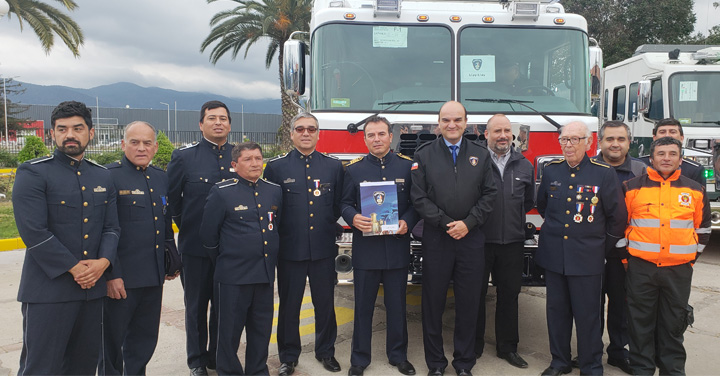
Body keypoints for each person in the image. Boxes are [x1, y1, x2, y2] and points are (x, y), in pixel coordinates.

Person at [12, 100, 121, 375]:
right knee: (42, 367)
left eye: (77, 128)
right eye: (62, 129)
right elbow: (33, 231)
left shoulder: (102, 175)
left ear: (91, 132)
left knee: (83, 366)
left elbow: (112, 228)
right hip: (49, 291)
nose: (69, 134)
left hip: (91, 291)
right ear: (52, 133)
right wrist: (75, 268)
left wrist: (103, 262)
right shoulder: (34, 172)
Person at [410, 101, 497, 376]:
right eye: (446, 120)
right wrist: (448, 224)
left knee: (469, 303)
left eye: (457, 120)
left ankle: (463, 363)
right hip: (437, 239)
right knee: (432, 303)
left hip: (471, 240)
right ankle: (435, 364)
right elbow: (418, 198)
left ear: (466, 122)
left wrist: (468, 224)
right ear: (438, 123)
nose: (451, 125)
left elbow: (490, 195)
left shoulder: (480, 155)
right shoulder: (424, 155)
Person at [535, 121, 626, 376]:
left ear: (589, 142)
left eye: (575, 139)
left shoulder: (603, 173)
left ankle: (591, 365)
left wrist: (598, 246)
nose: (569, 145)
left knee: (588, 316)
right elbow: (543, 207)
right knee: (556, 313)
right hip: (554, 256)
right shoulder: (552, 171)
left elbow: (617, 217)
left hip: (588, 258)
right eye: (564, 139)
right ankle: (560, 362)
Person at [264, 113, 344, 376]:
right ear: (292, 134)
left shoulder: (333, 167)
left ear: (318, 133)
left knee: (325, 304)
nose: (306, 133)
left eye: (312, 128)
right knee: (289, 306)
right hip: (290, 249)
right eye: (300, 129)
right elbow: (270, 209)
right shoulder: (276, 168)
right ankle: (288, 356)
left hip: (322, 248)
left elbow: (335, 207)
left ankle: (326, 352)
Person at [622, 137, 711, 375]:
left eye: (672, 154)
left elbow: (703, 230)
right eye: (661, 153)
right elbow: (621, 227)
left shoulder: (695, 190)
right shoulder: (632, 188)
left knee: (674, 324)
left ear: (681, 159)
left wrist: (690, 260)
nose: (667, 158)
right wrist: (626, 260)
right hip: (642, 269)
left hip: (678, 271)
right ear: (651, 158)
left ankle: (672, 370)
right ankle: (642, 368)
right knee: (640, 323)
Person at [340, 116, 418, 376]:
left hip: (396, 247)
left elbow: (417, 204)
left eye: (381, 134)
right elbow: (344, 203)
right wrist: (353, 217)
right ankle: (359, 360)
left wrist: (407, 221)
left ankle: (398, 356)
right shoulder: (354, 169)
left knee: (397, 306)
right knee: (362, 308)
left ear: (391, 136)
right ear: (364, 139)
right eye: (371, 135)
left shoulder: (408, 168)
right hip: (367, 250)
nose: (377, 139)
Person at [100, 121, 179, 375]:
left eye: (147, 143)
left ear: (156, 147)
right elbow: (103, 231)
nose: (141, 148)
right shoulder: (109, 176)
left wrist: (171, 258)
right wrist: (112, 275)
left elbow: (165, 224)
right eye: (135, 142)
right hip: (121, 278)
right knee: (111, 344)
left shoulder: (160, 177)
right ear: (124, 145)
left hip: (152, 277)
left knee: (144, 341)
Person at [167, 100, 237, 376]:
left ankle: (216, 356)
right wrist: (188, 227)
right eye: (212, 118)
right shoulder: (184, 158)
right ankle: (196, 360)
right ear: (201, 124)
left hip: (231, 249)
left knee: (224, 306)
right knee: (196, 306)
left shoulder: (240, 155)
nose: (218, 122)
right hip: (195, 248)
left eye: (223, 118)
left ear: (230, 124)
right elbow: (173, 202)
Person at [200, 142, 282, 376]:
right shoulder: (222, 192)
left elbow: (276, 226)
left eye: (258, 158)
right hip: (233, 276)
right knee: (229, 333)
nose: (255, 163)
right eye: (248, 159)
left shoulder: (273, 190)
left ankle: (257, 370)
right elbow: (208, 236)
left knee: (261, 330)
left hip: (264, 275)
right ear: (234, 165)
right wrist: (228, 261)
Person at [475, 114, 534, 369]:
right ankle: (473, 345)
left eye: (507, 131)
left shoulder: (524, 164)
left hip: (512, 241)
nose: (502, 135)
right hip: (479, 240)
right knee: (475, 295)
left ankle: (507, 348)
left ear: (512, 134)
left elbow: (529, 201)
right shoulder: (474, 163)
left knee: (509, 295)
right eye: (496, 130)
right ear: (485, 134)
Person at [587, 120, 647, 375]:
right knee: (589, 304)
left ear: (629, 142)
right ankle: (590, 352)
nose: (615, 144)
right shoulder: (587, 168)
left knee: (622, 305)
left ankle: (618, 352)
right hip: (591, 250)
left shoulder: (641, 171)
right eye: (609, 139)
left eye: (620, 139)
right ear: (600, 142)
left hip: (626, 252)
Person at [639, 118, 706, 187]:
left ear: (682, 138)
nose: (667, 135)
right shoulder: (639, 165)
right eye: (662, 132)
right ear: (654, 138)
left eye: (672, 132)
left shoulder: (694, 170)